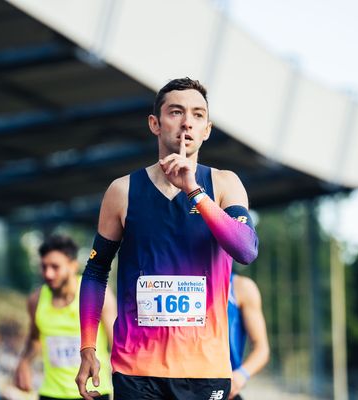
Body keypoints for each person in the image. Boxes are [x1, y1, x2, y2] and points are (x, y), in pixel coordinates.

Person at [76, 77, 259, 400]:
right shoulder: (122, 191)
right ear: (155, 124)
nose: (187, 122)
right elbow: (95, 270)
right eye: (176, 112)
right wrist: (88, 346)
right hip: (136, 369)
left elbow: (245, 249)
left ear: (207, 129)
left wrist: (195, 192)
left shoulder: (224, 184)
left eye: (198, 115)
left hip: (204, 370)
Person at [15, 235, 116, 400]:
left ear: (73, 266)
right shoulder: (36, 300)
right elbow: (35, 338)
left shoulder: (96, 294)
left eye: (55, 267)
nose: (48, 273)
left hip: (93, 392)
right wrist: (24, 363)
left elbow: (116, 342)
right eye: (44, 266)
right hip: (51, 394)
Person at [227, 272, 270, 400]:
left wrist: (241, 375)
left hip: (226, 390)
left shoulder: (241, 287)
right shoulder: (171, 281)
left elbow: (262, 349)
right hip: (177, 387)